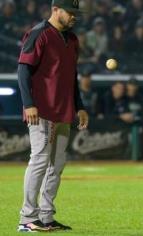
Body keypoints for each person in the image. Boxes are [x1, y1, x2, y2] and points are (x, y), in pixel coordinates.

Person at [17, 0, 88, 232]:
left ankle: (46, 216)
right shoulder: (39, 33)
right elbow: (23, 69)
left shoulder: (73, 39)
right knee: (39, 160)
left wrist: (79, 106)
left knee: (56, 164)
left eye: (76, 12)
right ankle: (27, 217)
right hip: (42, 109)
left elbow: (71, 75)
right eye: (70, 12)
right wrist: (29, 104)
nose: (74, 16)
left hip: (64, 110)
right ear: (55, 9)